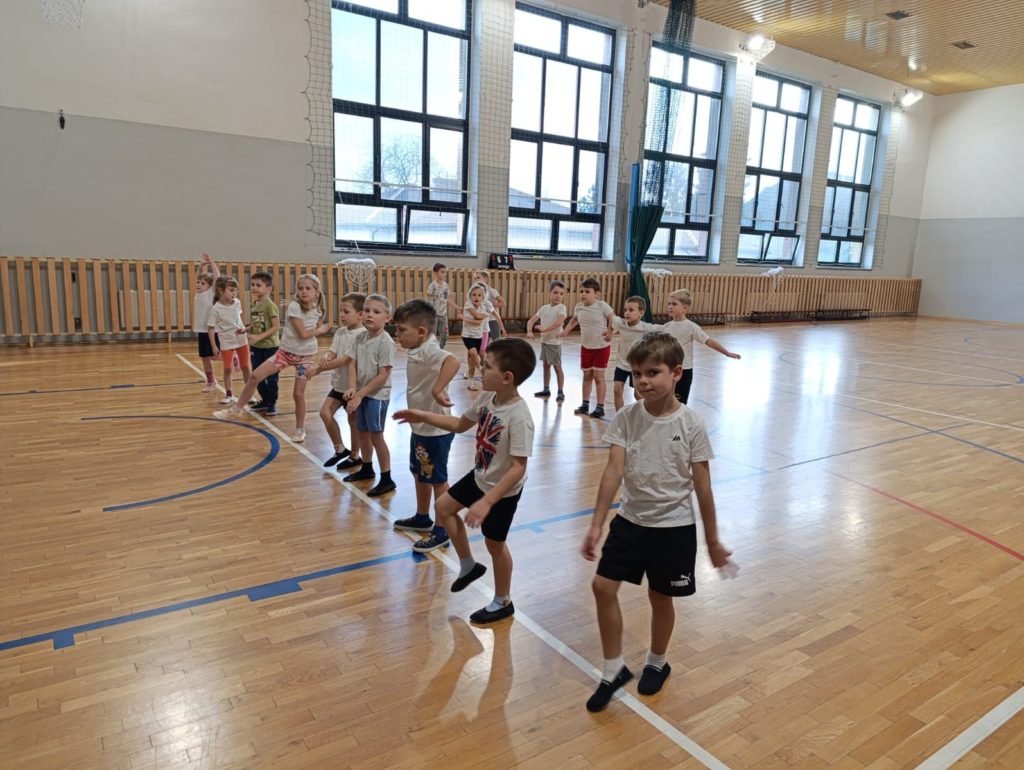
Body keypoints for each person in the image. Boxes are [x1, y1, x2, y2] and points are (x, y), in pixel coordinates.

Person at [581, 331, 733, 712]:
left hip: (674, 528)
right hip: (630, 522)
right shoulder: (627, 418)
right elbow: (613, 472)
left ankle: (657, 661)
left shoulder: (691, 423)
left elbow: (703, 488)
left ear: (677, 373)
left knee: (660, 597)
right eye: (637, 374)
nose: (643, 381)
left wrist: (713, 541)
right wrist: (597, 524)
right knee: (602, 587)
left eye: (653, 372)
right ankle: (613, 669)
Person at [393, 338, 536, 625]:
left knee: (495, 545)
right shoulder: (487, 398)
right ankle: (468, 565)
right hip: (481, 476)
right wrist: (422, 415)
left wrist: (487, 502)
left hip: (502, 492)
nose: (481, 369)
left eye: (487, 366)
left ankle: (503, 601)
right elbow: (459, 424)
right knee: (444, 508)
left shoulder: (519, 417)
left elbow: (518, 468)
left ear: (507, 378)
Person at [214, 274, 329, 443]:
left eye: (308, 288)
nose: (303, 291)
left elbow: (310, 329)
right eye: (300, 288)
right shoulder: (294, 307)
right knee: (255, 376)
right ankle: (237, 409)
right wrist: (320, 331)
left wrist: (317, 329)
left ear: (316, 292)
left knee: (298, 394)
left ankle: (300, 430)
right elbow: (303, 334)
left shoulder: (318, 310)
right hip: (285, 354)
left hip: (305, 357)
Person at [390, 299, 460, 553]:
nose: (397, 335)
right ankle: (422, 517)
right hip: (420, 428)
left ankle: (442, 530)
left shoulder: (430, 350)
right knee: (420, 473)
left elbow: (453, 361)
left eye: (401, 330)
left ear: (421, 331)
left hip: (436, 431)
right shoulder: (417, 348)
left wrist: (437, 389)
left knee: (438, 480)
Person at [339, 294, 397, 498]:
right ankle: (366, 467)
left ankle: (387, 478)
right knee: (362, 432)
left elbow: (383, 376)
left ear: (387, 318)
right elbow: (352, 365)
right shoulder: (359, 338)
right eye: (367, 310)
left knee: (376, 436)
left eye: (376, 312)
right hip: (362, 394)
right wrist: (352, 387)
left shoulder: (386, 342)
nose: (370, 315)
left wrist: (361, 394)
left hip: (377, 396)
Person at [305, 292, 366, 469]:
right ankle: (340, 449)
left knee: (353, 422)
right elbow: (333, 352)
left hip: (352, 388)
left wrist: (318, 369)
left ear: (360, 314)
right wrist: (327, 355)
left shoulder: (362, 335)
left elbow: (346, 359)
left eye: (346, 312)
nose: (341, 315)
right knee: (325, 413)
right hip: (339, 385)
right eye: (340, 311)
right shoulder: (340, 332)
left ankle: (355, 455)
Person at [662, 289, 741, 404]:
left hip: (684, 370)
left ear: (685, 308)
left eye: (674, 304)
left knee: (680, 402)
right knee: (666, 401)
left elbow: (708, 341)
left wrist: (727, 353)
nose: (670, 306)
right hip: (667, 369)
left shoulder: (691, 327)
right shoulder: (665, 327)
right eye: (669, 303)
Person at [560, 277, 614, 419]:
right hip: (586, 348)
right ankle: (585, 404)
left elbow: (613, 318)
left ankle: (600, 407)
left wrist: (610, 333)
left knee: (598, 377)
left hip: (601, 348)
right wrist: (565, 331)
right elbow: (574, 320)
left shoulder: (602, 305)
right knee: (587, 376)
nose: (583, 294)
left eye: (587, 291)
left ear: (596, 294)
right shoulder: (579, 307)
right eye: (581, 291)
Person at [207, 277, 251, 406]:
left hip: (241, 340)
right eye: (231, 290)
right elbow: (210, 328)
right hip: (226, 342)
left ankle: (249, 394)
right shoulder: (216, 308)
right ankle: (229, 394)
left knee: (245, 367)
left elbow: (238, 320)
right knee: (227, 369)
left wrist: (243, 329)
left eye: (236, 290)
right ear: (221, 290)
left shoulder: (237, 303)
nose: (234, 293)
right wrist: (214, 346)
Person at [611, 296, 658, 412]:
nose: (627, 312)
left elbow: (666, 329)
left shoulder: (647, 328)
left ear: (641, 313)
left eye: (631, 310)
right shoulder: (621, 323)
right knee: (617, 390)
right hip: (621, 364)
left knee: (638, 395)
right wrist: (608, 333)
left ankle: (645, 415)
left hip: (637, 367)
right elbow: (612, 319)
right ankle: (620, 416)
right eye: (625, 310)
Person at [526, 280, 567, 402]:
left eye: (561, 293)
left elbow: (559, 322)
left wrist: (544, 329)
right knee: (546, 366)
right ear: (550, 293)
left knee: (557, 367)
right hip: (545, 342)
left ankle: (560, 392)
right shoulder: (544, 308)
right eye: (555, 292)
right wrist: (529, 331)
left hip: (555, 343)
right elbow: (531, 320)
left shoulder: (562, 308)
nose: (558, 296)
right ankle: (546, 389)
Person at [247, 271, 280, 415]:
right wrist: (246, 329)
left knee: (272, 377)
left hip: (270, 347)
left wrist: (258, 337)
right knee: (256, 375)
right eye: (252, 284)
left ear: (268, 288)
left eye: (258, 285)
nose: (254, 287)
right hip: (256, 347)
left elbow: (276, 326)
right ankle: (265, 400)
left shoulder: (270, 305)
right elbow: (258, 323)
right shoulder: (254, 304)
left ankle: (272, 403)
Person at [193, 253, 220, 392]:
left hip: (212, 330)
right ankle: (211, 381)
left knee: (215, 355)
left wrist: (211, 263)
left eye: (203, 283)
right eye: (198, 282)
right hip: (201, 330)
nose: (199, 284)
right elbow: (198, 275)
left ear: (210, 286)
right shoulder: (198, 294)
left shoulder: (211, 293)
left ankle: (234, 357)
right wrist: (201, 265)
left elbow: (217, 278)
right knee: (204, 357)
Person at [460, 283, 492, 391]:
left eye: (479, 295)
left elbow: (478, 321)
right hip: (467, 335)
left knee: (472, 362)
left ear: (483, 297)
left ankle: (471, 383)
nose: (476, 297)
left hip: (478, 336)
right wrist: (480, 316)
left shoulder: (483, 307)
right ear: (470, 296)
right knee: (473, 352)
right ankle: (481, 369)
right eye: (474, 295)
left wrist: (464, 318)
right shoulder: (468, 304)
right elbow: (478, 316)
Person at [426, 262, 457, 350]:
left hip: (443, 314)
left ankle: (441, 349)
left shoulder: (446, 286)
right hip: (434, 314)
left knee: (445, 333)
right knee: (433, 334)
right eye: (442, 272)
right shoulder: (432, 286)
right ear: (435, 273)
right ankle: (431, 349)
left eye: (445, 272)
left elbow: (446, 299)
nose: (444, 274)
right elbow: (428, 297)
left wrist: (456, 307)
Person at [472, 269, 505, 350]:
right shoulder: (474, 292)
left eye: (478, 278)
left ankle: (497, 355)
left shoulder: (492, 291)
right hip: (482, 321)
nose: (476, 280)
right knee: (483, 344)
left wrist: (489, 305)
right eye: (475, 278)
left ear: (486, 279)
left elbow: (502, 303)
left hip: (492, 320)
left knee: (496, 342)